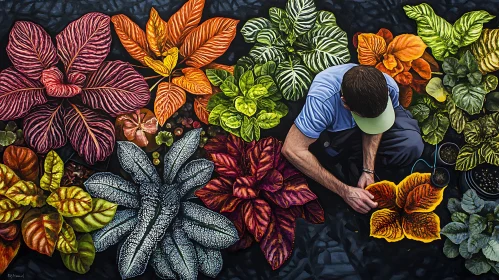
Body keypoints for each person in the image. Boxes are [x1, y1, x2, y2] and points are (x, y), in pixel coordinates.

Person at [282, 64, 424, 214]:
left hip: (362, 122)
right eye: (366, 118)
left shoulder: (389, 86)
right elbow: (292, 149)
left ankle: (365, 170)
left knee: (411, 143)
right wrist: (345, 192)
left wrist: (368, 170)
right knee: (332, 161)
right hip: (338, 133)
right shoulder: (322, 101)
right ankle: (351, 171)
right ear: (345, 103)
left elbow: (375, 127)